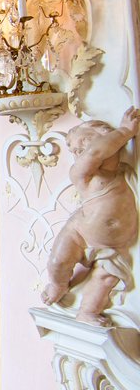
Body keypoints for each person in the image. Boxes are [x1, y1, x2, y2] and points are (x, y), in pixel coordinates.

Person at [41, 108, 140, 326]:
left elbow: (99, 151)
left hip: (114, 246)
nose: (80, 153)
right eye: (75, 151)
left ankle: (87, 311)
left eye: (85, 143)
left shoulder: (126, 173)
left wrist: (121, 135)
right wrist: (125, 130)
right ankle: (57, 285)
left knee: (106, 278)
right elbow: (94, 154)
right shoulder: (82, 174)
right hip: (79, 233)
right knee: (58, 261)